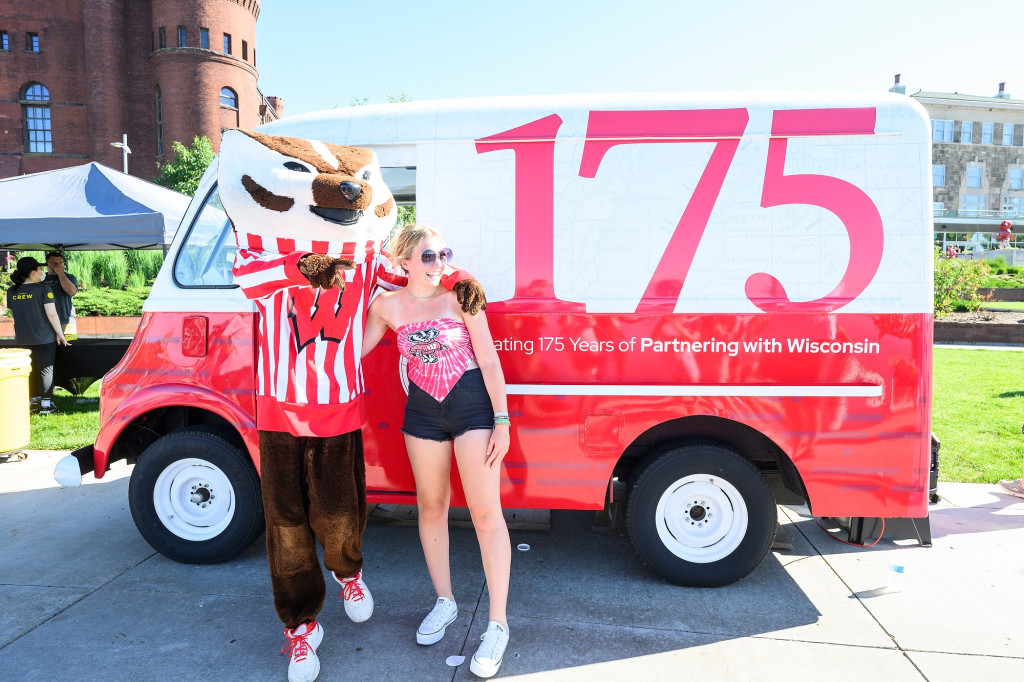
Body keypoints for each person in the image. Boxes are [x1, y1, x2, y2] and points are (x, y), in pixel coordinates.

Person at [363, 224, 512, 679]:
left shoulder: (462, 297)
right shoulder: (386, 307)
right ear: (404, 261)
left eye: (443, 253)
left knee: (486, 514)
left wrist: (502, 422)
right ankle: (444, 601)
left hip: (472, 409)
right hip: (423, 414)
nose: (439, 264)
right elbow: (352, 350)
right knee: (431, 506)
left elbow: (488, 359)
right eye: (428, 256)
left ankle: (498, 625)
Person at [5, 256, 69, 414]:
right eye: (40, 269)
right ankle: (46, 406)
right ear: (33, 272)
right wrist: (60, 334)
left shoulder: (11, 291)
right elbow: (52, 315)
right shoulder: (44, 289)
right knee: (45, 370)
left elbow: (14, 313)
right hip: (44, 338)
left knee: (26, 369)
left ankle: (28, 401)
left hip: (22, 338)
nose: (42, 272)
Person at [43, 252, 78, 340]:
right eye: (54, 263)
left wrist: (61, 274)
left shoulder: (69, 277)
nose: (58, 266)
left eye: (60, 263)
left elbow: (71, 291)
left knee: (69, 349)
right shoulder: (41, 279)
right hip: (46, 322)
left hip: (66, 321)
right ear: (47, 264)